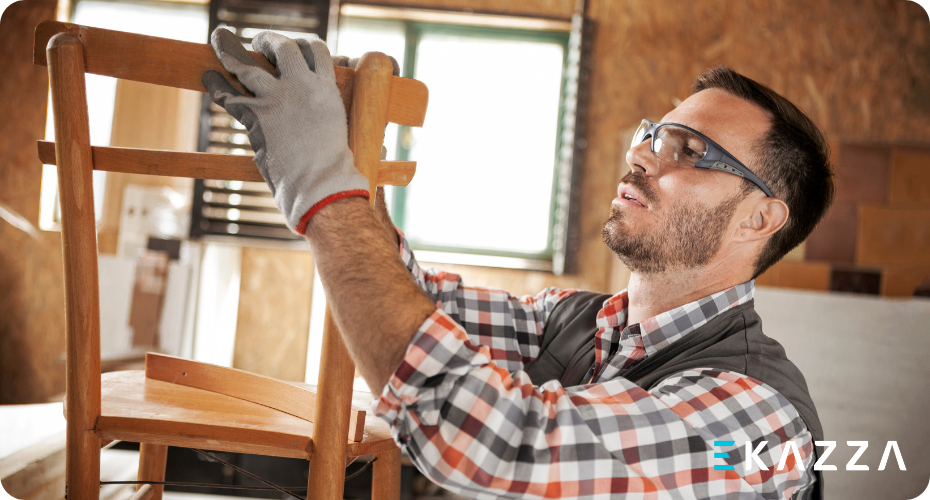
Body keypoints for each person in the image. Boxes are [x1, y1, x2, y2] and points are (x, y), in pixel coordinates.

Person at [202, 27, 833, 500]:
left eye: (688, 149)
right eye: (651, 134)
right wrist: (355, 160)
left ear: (759, 218)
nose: (641, 157)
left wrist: (325, 191)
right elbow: (416, 303)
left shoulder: (759, 421)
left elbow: (505, 444)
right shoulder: (575, 322)